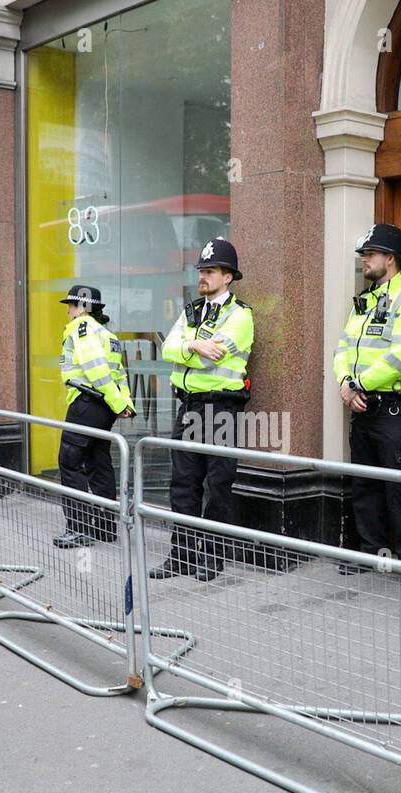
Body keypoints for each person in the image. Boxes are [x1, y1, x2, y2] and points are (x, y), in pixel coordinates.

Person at [333, 223, 401, 588]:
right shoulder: (364, 301)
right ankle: (370, 552)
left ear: (390, 259)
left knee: (399, 486)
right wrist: (345, 383)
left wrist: (360, 384)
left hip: (391, 408)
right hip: (361, 405)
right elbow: (342, 349)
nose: (364, 261)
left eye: (369, 255)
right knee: (365, 482)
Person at [151, 237, 253, 582]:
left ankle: (211, 558)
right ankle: (180, 556)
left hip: (221, 408)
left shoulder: (241, 316)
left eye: (210, 271)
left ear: (228, 277)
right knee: (183, 484)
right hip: (189, 407)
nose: (203, 277)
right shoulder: (192, 311)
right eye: (202, 271)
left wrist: (187, 346)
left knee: (218, 485)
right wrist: (194, 343)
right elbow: (167, 348)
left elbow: (216, 357)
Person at [55, 284, 135, 548]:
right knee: (99, 463)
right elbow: (119, 374)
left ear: (82, 308)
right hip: (103, 408)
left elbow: (96, 370)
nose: (68, 310)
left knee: (69, 462)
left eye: (71, 305)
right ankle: (104, 528)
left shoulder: (83, 329)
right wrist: (123, 404)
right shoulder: (107, 334)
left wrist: (114, 401)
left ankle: (78, 529)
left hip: (86, 402)